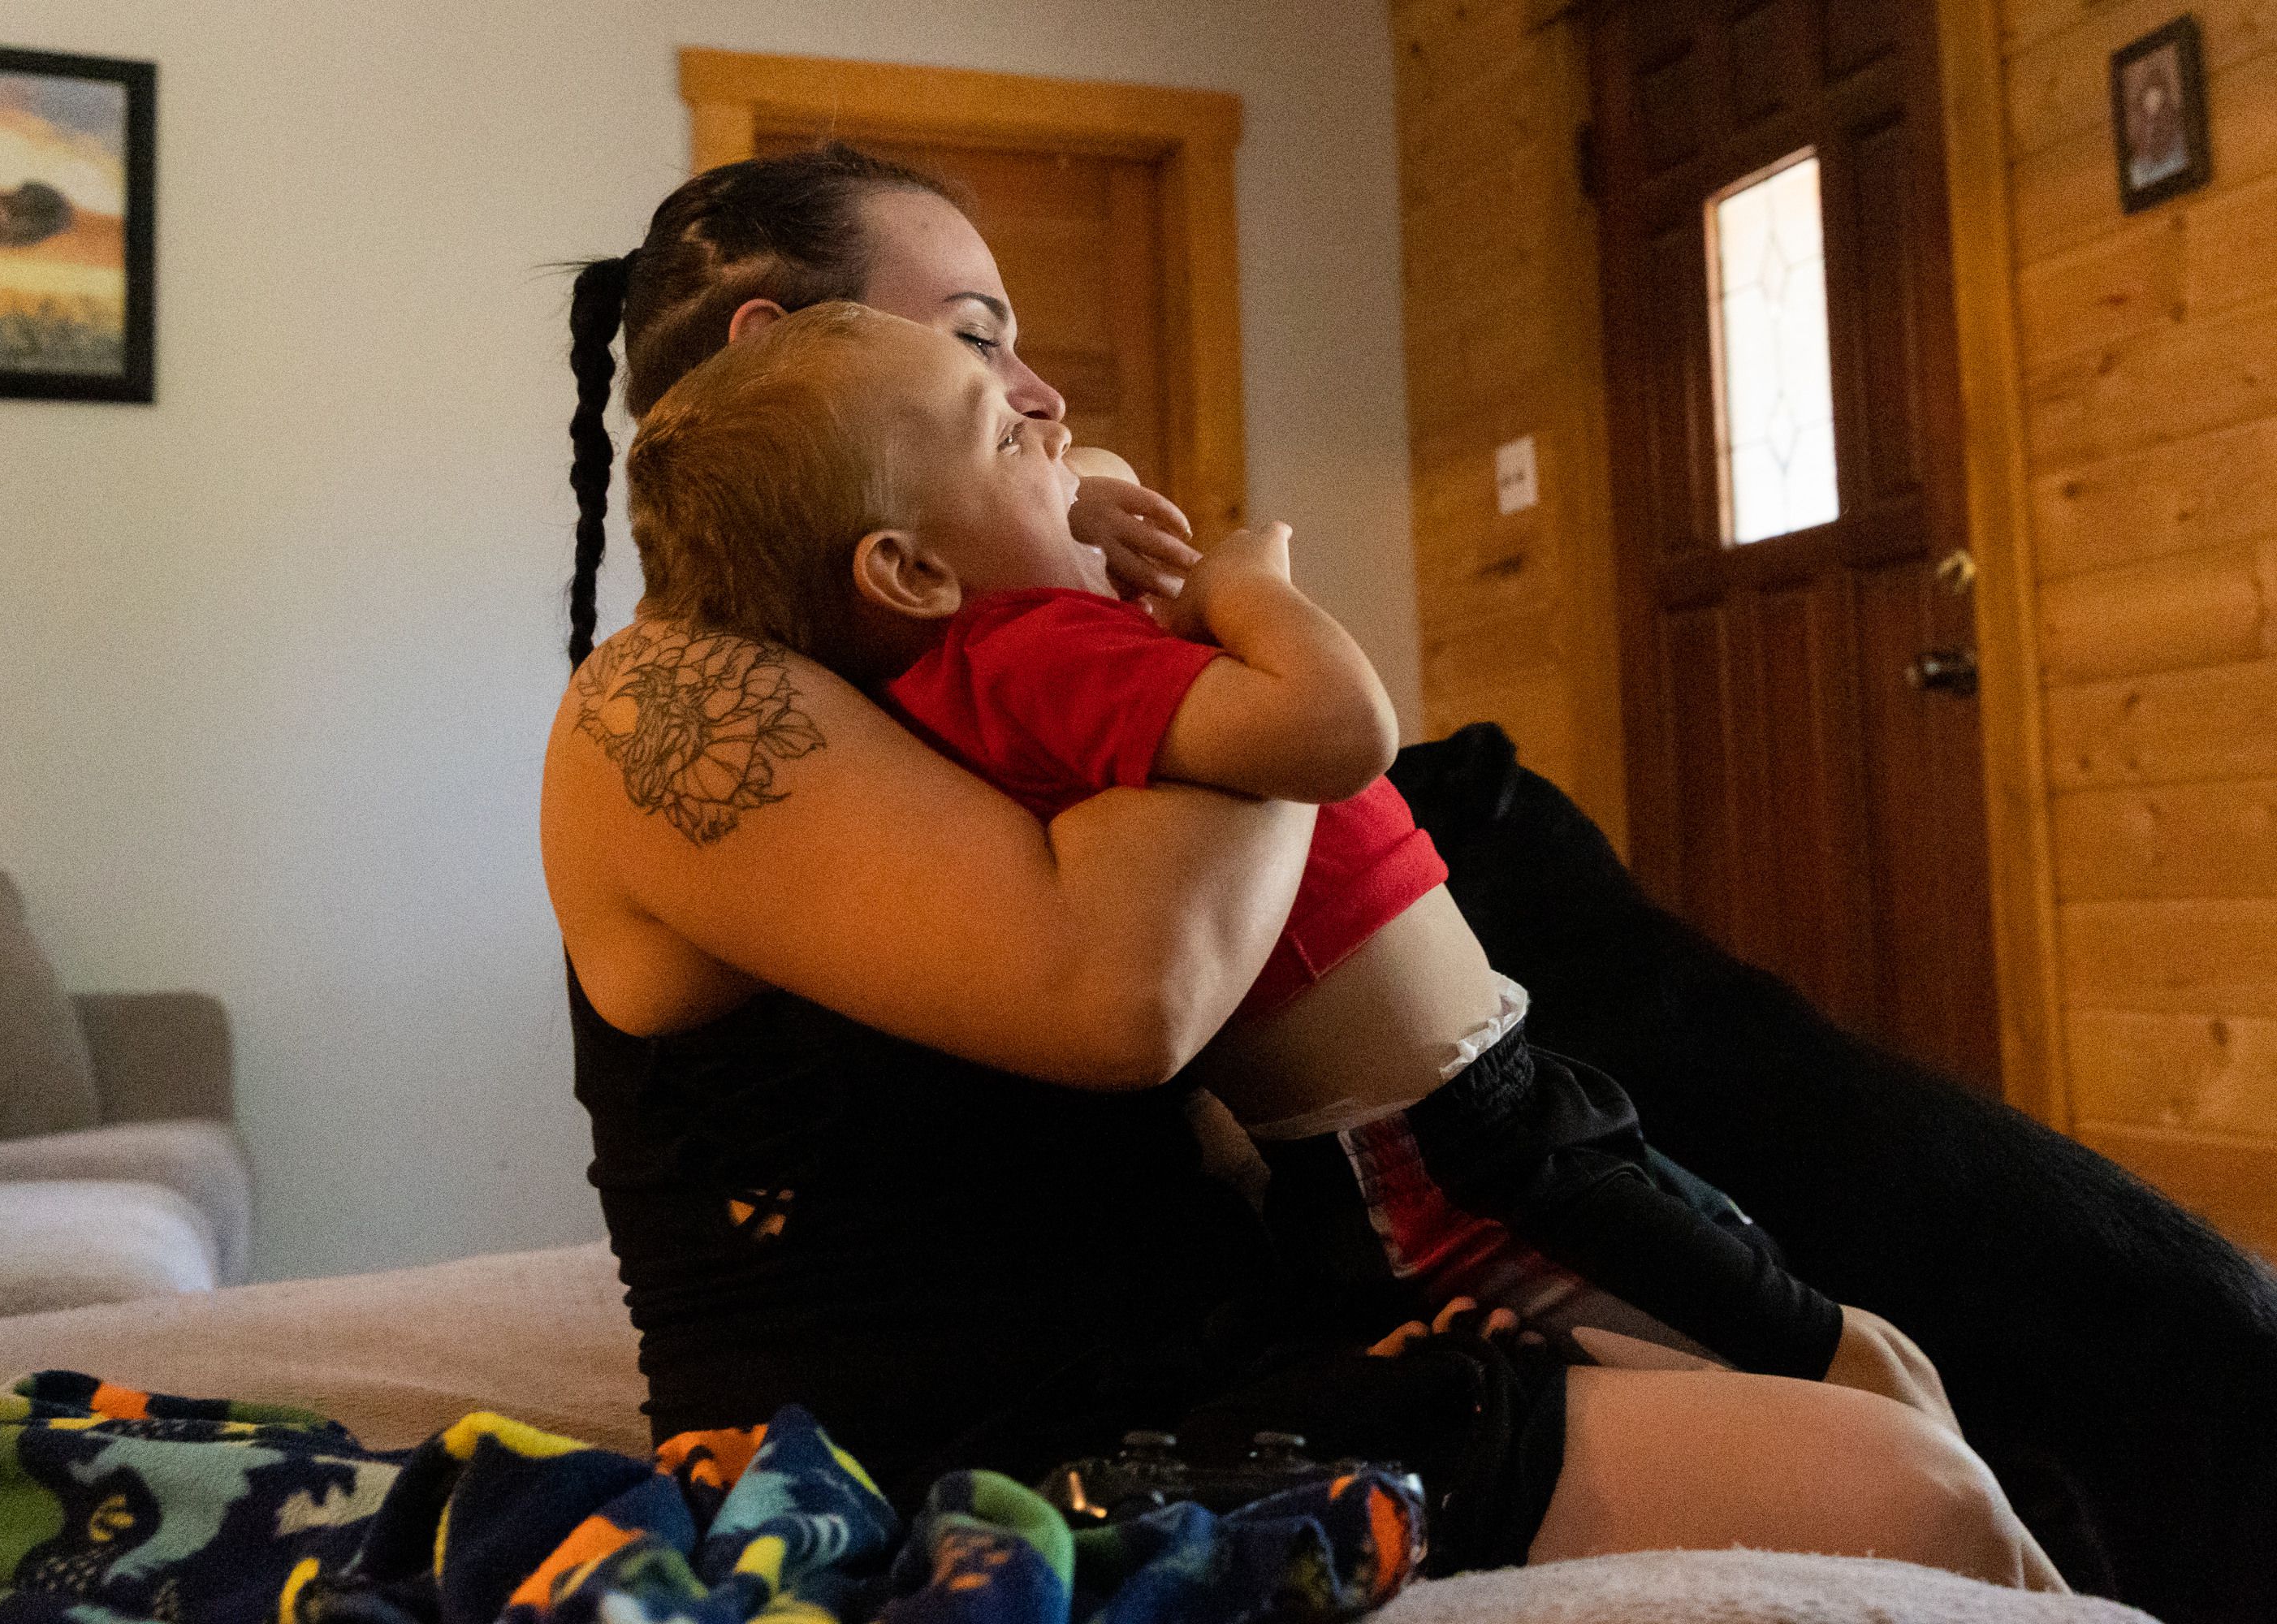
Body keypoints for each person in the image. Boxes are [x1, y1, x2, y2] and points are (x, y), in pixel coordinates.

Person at [541, 141, 2060, 1587]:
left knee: (1907, 1387)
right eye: (979, 342)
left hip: (1220, 1329)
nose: (1043, 400)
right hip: (977, 1445)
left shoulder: (928, 633)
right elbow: (1131, 996)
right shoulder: (663, 703)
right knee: (1911, 1495)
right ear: (775, 344)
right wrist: (1175, 626)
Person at [616, 297, 1938, 1412]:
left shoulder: (1009, 655)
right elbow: (1338, 733)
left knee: (1843, 1344)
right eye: (1003, 431)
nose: (1052, 423)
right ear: (908, 573)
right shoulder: (1031, 655)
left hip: (1490, 1098)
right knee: (1848, 1375)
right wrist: (1249, 586)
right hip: (1437, 1151)